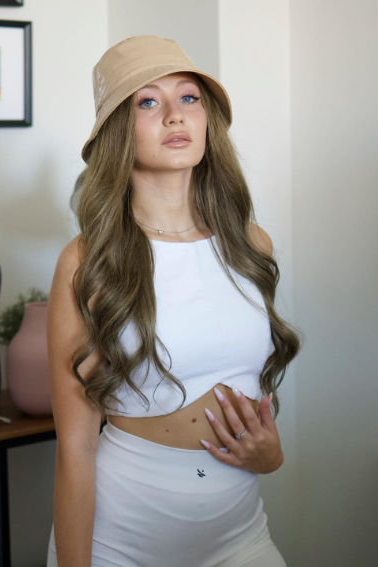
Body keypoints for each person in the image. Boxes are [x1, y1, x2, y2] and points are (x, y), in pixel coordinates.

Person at [46, 35, 302, 567]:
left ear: (207, 119)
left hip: (241, 537)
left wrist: (272, 456)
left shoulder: (251, 245)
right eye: (148, 102)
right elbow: (76, 448)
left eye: (189, 97)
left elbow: (254, 398)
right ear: (119, 129)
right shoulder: (88, 260)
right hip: (120, 544)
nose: (175, 115)